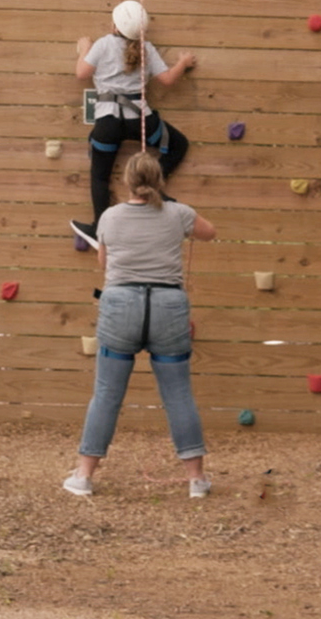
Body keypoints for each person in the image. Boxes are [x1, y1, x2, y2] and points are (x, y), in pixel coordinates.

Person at [67, 150, 216, 498]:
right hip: (168, 306)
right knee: (178, 394)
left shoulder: (110, 216)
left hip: (121, 306)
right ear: (160, 180)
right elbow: (209, 233)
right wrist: (174, 210)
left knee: (106, 394)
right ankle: (196, 481)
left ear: (127, 182)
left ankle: (84, 476)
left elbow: (105, 262)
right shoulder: (178, 213)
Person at [71, 0, 194, 247]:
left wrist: (84, 48)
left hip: (108, 123)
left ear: (114, 26)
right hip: (140, 120)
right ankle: (152, 189)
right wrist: (183, 63)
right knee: (178, 145)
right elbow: (168, 79)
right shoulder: (146, 48)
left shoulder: (103, 45)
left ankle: (98, 230)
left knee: (100, 176)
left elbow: (81, 73)